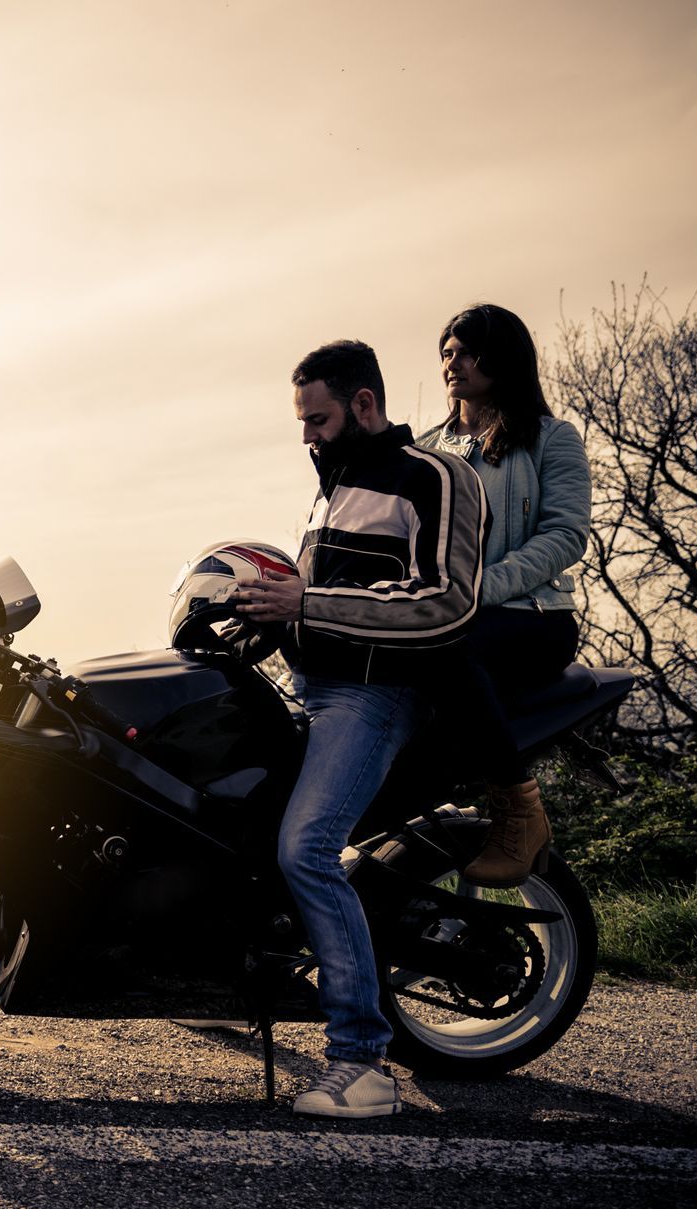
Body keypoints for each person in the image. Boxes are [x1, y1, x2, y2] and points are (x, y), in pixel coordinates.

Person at [232, 340, 486, 1119]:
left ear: (364, 405)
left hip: (375, 697)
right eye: (302, 421)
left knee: (306, 848)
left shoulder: (434, 476)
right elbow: (319, 603)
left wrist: (306, 603)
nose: (306, 435)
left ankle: (363, 1062)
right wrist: (257, 614)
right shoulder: (332, 490)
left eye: (317, 419)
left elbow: (448, 602)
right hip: (309, 688)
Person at [418, 304, 591, 887]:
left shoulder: (551, 439)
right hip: (441, 615)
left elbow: (566, 534)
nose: (453, 363)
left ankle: (518, 808)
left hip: (531, 617)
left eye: (468, 352)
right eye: (447, 352)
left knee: (446, 649)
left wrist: (478, 590)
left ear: (504, 359)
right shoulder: (423, 450)